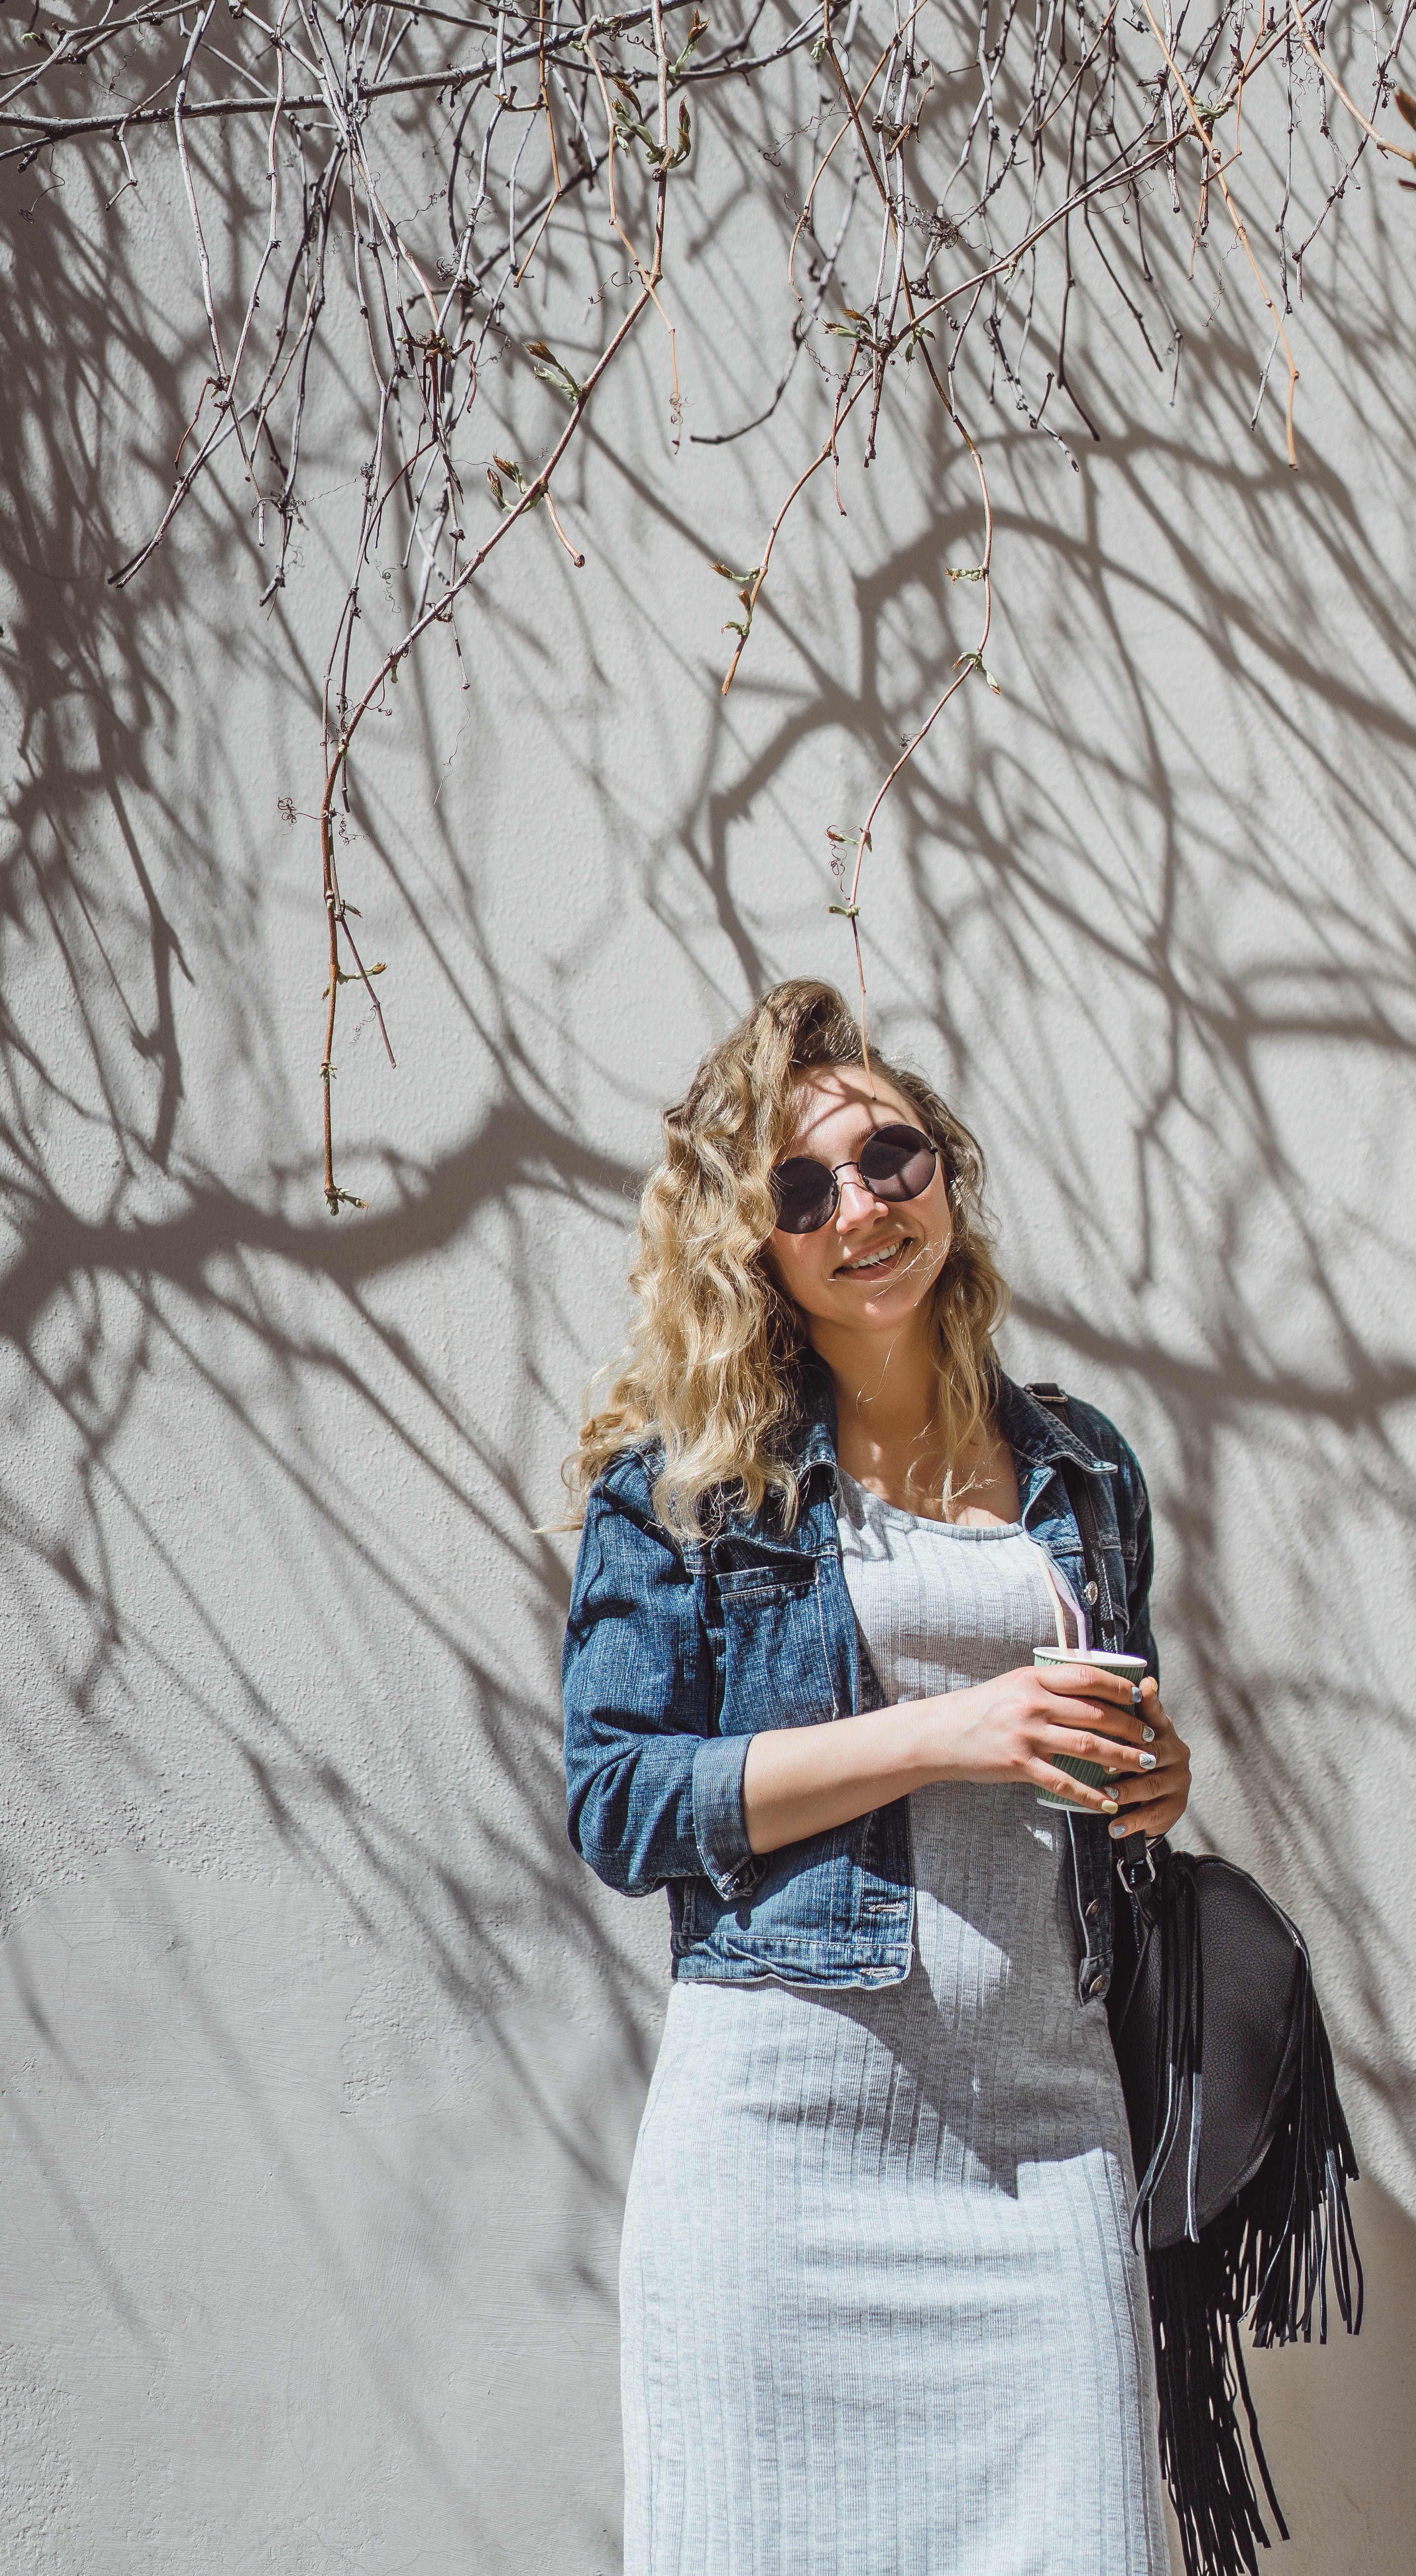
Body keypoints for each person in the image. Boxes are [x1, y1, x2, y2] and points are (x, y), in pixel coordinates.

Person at [562, 979, 1192, 2576]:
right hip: (778, 2158)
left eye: (890, 1157)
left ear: (945, 1172)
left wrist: (1150, 1782)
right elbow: (622, 1799)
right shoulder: (687, 1488)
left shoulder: (1082, 1463)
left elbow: (1085, 1773)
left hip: (1047, 2134)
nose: (862, 1206)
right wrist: (946, 1732)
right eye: (802, 1189)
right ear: (752, 1248)